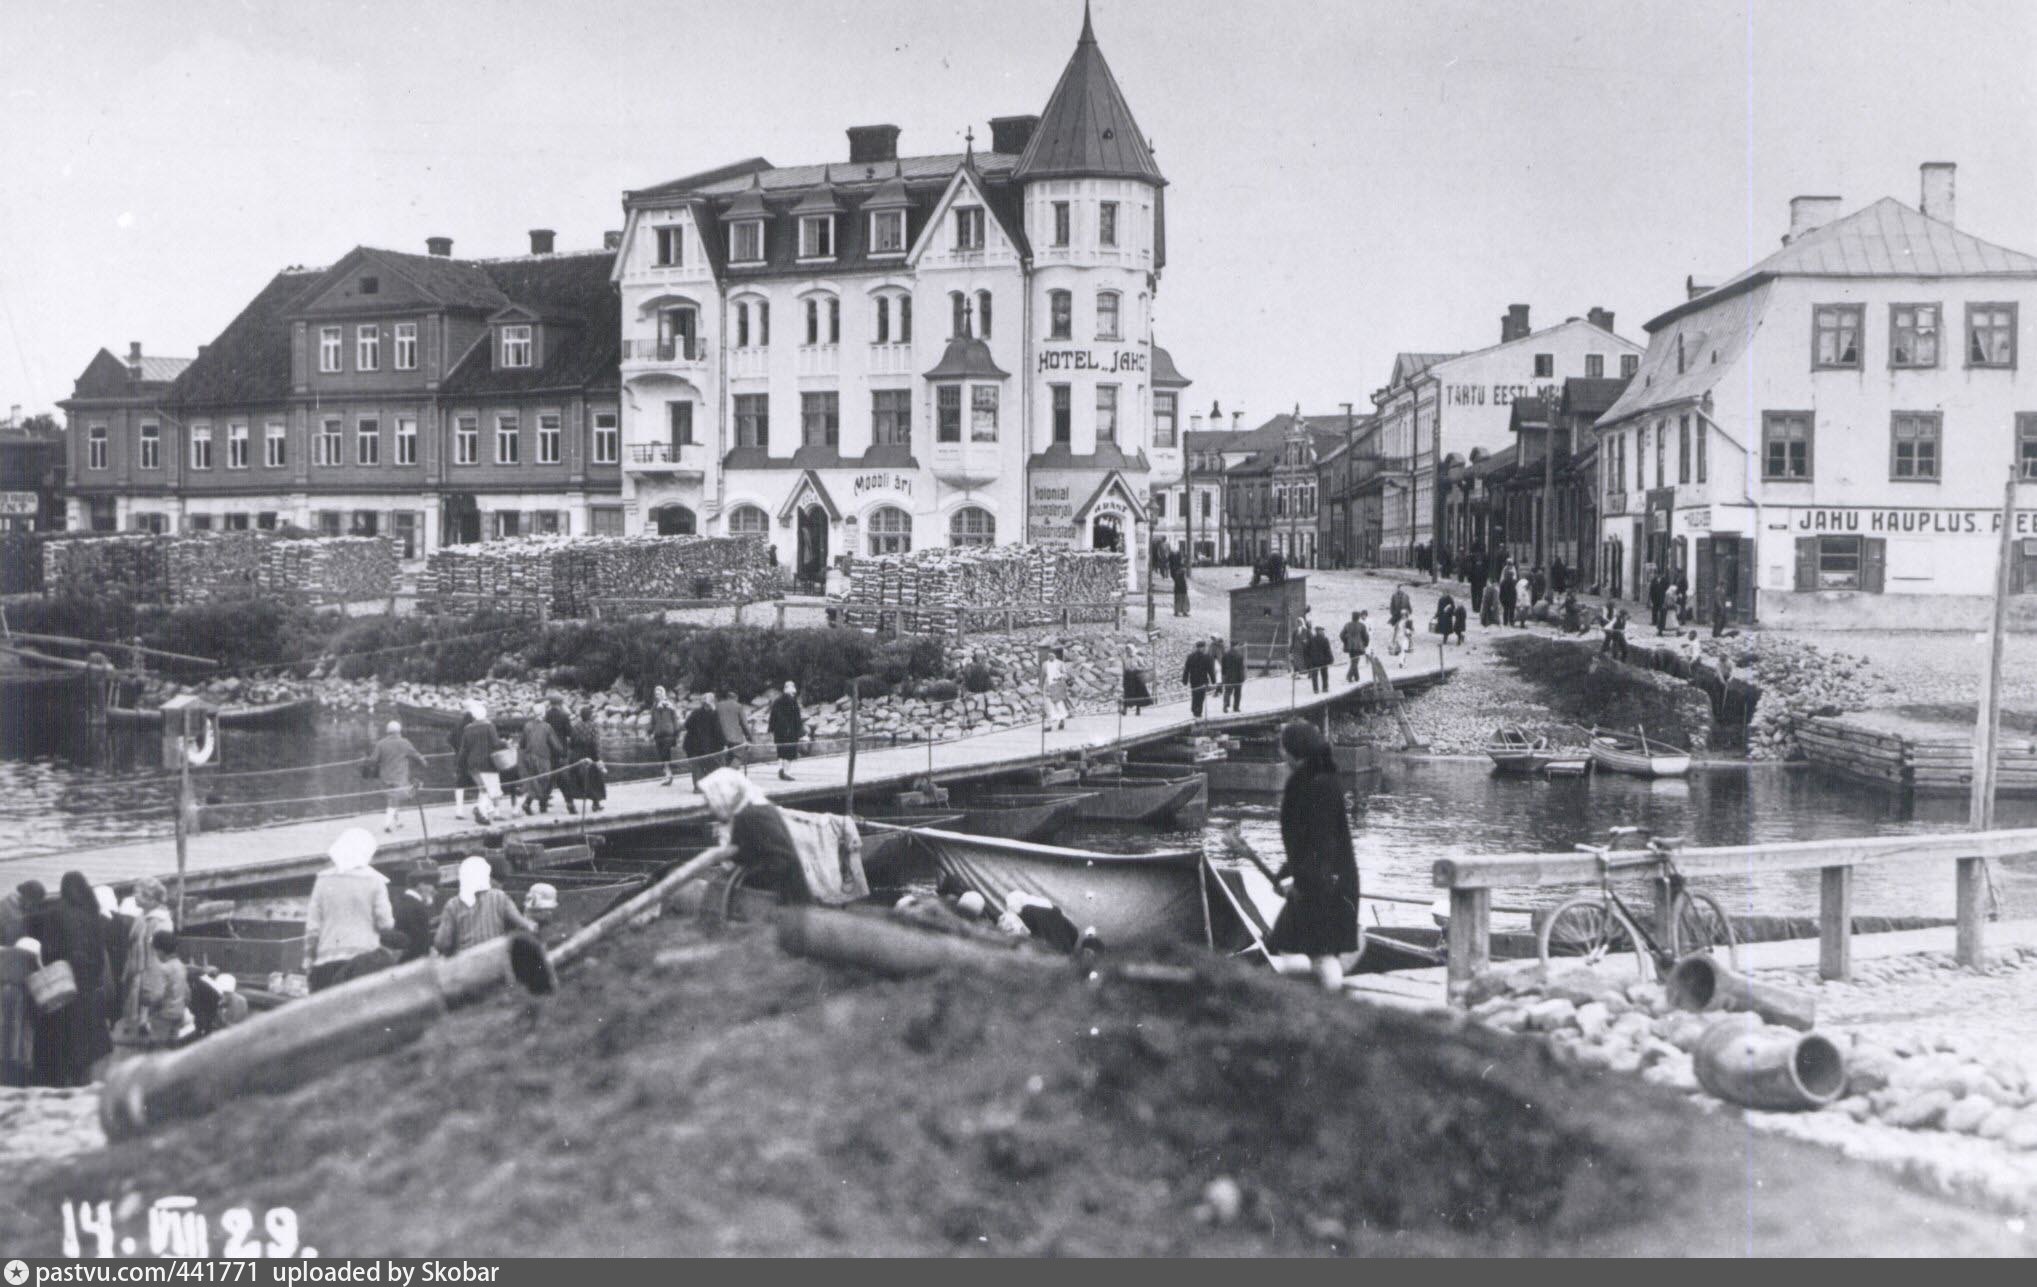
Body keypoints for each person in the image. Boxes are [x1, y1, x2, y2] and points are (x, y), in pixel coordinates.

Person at [1270, 722, 1359, 990]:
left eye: (1282, 748)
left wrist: (1301, 882)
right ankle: (1325, 1002)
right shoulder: (1322, 779)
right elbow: (1308, 843)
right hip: (1334, 881)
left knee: (1296, 946)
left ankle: (1314, 1000)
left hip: (1323, 885)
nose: (1281, 754)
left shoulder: (1313, 785)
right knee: (1319, 950)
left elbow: (1321, 846)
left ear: (1293, 752)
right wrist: (1285, 872)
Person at [27, 873, 112, 1086]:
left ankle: (61, 1088)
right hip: (88, 991)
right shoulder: (92, 915)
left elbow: (48, 954)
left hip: (65, 990)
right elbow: (99, 957)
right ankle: (82, 1085)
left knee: (60, 1048)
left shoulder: (56, 914)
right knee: (85, 1050)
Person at [303, 828, 395, 992]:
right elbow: (386, 924)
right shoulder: (374, 881)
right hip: (364, 962)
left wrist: (309, 958)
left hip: (327, 961)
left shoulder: (323, 880)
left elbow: (312, 928)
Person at [699, 769, 806, 903]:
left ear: (724, 795)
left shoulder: (753, 815)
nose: (709, 807)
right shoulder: (748, 810)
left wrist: (741, 880)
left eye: (710, 800)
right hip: (775, 893)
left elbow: (779, 860)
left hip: (782, 898)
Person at [434, 857, 535, 956]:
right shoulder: (499, 897)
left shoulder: (453, 904)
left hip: (466, 963)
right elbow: (525, 926)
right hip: (494, 961)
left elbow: (442, 943)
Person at [367, 719, 427, 833]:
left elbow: (373, 760)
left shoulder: (381, 743)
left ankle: (397, 822)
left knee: (392, 798)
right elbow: (416, 755)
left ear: (387, 732)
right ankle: (387, 825)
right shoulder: (404, 742)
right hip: (399, 777)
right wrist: (424, 762)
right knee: (404, 795)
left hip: (385, 777)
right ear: (399, 731)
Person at [135, 930, 191, 1047]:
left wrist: (147, 1000)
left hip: (163, 1016)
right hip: (178, 1014)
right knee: (173, 1046)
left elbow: (157, 995)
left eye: (155, 951)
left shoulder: (163, 969)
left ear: (160, 951)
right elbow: (187, 992)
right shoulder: (181, 966)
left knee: (157, 1048)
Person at [456, 701, 507, 822]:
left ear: (473, 716)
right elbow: (495, 743)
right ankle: (490, 812)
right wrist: (505, 743)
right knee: (493, 789)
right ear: (484, 714)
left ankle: (483, 813)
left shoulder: (467, 728)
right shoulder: (489, 726)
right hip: (488, 763)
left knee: (483, 789)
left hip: (472, 763)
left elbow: (464, 749)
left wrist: (460, 764)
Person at [1, 932, 36, 1087]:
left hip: (4, 988)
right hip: (22, 990)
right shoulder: (34, 947)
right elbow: (39, 971)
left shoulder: (6, 952)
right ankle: (16, 1071)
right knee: (20, 1031)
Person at [518, 705, 566, 815]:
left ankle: (530, 803)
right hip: (543, 757)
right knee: (545, 781)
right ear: (543, 713)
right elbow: (555, 744)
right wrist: (561, 752)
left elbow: (522, 743)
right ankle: (539, 805)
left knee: (534, 781)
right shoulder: (546, 727)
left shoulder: (527, 726)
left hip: (529, 757)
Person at [393, 866, 438, 963]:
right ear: (421, 885)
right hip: (414, 963)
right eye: (432, 886)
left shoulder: (400, 901)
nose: (434, 891)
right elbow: (422, 945)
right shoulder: (418, 908)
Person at [682, 692, 726, 787]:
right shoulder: (713, 714)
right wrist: (723, 744)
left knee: (697, 767)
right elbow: (718, 730)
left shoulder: (695, 712)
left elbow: (687, 725)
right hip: (705, 745)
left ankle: (698, 787)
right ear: (712, 703)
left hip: (693, 744)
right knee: (709, 765)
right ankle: (706, 786)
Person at [570, 703, 607, 811]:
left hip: (577, 755)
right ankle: (596, 803)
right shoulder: (594, 726)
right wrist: (599, 758)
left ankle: (572, 802)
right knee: (595, 780)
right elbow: (596, 744)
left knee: (578, 779)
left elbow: (571, 743)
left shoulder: (576, 726)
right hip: (590, 755)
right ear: (590, 716)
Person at [768, 682, 805, 781]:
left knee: (780, 751)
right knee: (790, 753)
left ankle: (780, 768)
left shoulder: (777, 701)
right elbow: (797, 718)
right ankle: (787, 772)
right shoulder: (793, 702)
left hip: (778, 732)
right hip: (790, 732)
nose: (794, 695)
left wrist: (771, 729)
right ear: (791, 692)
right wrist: (801, 732)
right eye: (793, 693)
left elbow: (772, 717)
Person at [649, 686, 682, 786]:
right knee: (662, 757)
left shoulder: (670, 706)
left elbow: (675, 719)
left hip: (668, 734)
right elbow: (652, 722)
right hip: (658, 734)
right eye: (656, 694)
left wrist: (677, 733)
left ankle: (668, 776)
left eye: (659, 693)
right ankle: (668, 775)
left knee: (665, 755)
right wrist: (649, 732)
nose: (657, 695)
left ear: (663, 694)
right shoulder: (654, 707)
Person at [716, 691, 752, 771]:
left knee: (725, 759)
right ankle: (731, 774)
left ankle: (725, 774)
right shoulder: (738, 706)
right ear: (736, 698)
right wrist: (750, 738)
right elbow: (744, 724)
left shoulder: (718, 705)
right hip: (735, 738)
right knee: (737, 756)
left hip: (720, 738)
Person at [1182, 640, 1217, 719]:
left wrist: (1185, 680)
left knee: (1194, 695)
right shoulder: (1207, 657)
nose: (1205, 649)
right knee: (1201, 697)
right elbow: (1210, 671)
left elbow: (1186, 670)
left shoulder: (1190, 657)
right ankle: (1198, 711)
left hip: (1193, 680)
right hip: (1203, 681)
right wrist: (1213, 681)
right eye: (1204, 647)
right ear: (1202, 647)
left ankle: (1194, 709)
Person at [1042, 647, 1071, 730]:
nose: (1050, 656)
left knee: (1059, 704)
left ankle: (1062, 720)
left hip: (1057, 686)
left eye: (1052, 655)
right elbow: (1043, 675)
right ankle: (1049, 725)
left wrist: (1059, 677)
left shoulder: (1060, 663)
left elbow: (1065, 674)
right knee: (1048, 705)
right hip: (1047, 686)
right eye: (1049, 655)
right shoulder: (1044, 664)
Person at [1120, 641, 1152, 715]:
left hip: (1136, 677)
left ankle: (1138, 710)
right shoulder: (1125, 658)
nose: (1128, 651)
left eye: (1129, 649)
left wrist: (1136, 668)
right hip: (1128, 677)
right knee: (1127, 694)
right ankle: (1125, 710)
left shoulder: (1138, 658)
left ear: (1132, 650)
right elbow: (1124, 669)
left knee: (1138, 693)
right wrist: (1124, 677)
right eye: (1127, 650)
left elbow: (1143, 667)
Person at [1219, 637, 1246, 713]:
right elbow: (1241, 668)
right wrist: (1242, 678)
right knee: (1237, 693)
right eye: (1238, 646)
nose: (1238, 647)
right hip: (1237, 677)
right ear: (1236, 646)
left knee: (1227, 692)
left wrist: (1223, 676)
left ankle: (1225, 705)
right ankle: (1236, 707)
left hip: (1228, 677)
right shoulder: (1240, 656)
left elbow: (1223, 667)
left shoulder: (1225, 655)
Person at [1340, 610, 1370, 681]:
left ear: (1352, 617)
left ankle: (1357, 677)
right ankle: (1349, 676)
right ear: (1358, 617)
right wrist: (1365, 644)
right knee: (1355, 661)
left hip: (1350, 647)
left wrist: (1346, 642)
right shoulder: (1362, 625)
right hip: (1359, 646)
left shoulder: (1347, 625)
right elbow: (1366, 637)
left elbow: (1341, 635)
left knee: (1353, 661)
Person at [1305, 626, 1335, 694]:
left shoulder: (1311, 639)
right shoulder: (1325, 639)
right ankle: (1325, 688)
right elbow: (1328, 651)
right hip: (1323, 660)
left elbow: (1306, 650)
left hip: (1314, 661)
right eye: (1321, 631)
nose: (1322, 632)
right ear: (1319, 631)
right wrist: (1331, 659)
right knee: (1324, 674)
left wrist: (1309, 659)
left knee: (1314, 676)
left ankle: (1316, 690)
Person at [1647, 568, 1669, 635]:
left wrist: (1665, 597)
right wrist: (1650, 598)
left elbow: (1667, 589)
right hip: (1655, 598)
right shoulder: (1653, 580)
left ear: (1661, 574)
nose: (1658, 575)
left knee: (1662, 611)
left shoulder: (1665, 580)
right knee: (1654, 610)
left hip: (1662, 598)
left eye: (1659, 574)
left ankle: (1661, 625)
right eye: (1656, 574)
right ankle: (1654, 621)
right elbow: (1651, 589)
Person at [1498, 563, 1519, 628]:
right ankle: (1511, 622)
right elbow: (1515, 592)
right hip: (1511, 599)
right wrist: (1515, 599)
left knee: (1506, 611)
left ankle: (1505, 622)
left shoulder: (1503, 582)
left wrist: (1501, 599)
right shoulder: (1513, 582)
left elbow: (1501, 592)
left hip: (1505, 599)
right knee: (1511, 611)